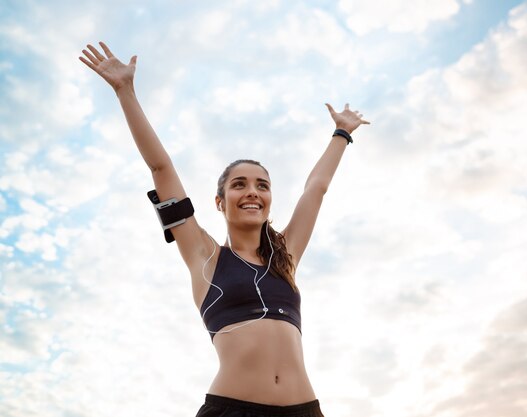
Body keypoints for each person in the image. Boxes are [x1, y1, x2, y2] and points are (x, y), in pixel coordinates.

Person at [79, 41, 369, 417]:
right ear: (220, 202)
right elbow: (161, 169)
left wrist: (341, 134)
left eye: (262, 185)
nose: (252, 192)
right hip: (233, 410)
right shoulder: (205, 255)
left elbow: (316, 188)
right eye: (239, 184)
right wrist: (125, 91)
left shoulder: (287, 257)